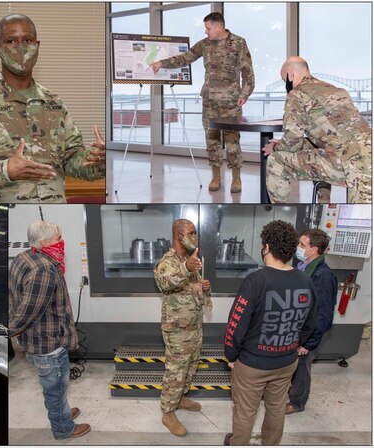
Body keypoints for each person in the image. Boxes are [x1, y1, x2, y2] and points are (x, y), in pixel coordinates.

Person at [0, 13, 106, 203]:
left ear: (37, 45)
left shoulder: (54, 102)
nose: (21, 47)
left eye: (27, 40)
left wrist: (99, 160)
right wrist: (5, 170)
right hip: (5, 213)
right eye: (11, 41)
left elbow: (72, 159)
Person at [223, 220, 317, 446]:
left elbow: (236, 325)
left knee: (245, 412)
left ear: (266, 247)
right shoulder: (305, 280)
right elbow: (310, 324)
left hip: (253, 364)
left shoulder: (256, 280)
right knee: (275, 408)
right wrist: (292, 345)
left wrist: (231, 356)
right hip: (286, 362)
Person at [151, 12, 254, 194]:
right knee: (211, 141)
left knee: (232, 141)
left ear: (218, 27)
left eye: (208, 28)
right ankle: (216, 176)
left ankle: (236, 178)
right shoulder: (204, 45)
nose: (206, 32)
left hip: (231, 102)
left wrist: (244, 94)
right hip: (209, 101)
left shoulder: (239, 42)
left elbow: (248, 72)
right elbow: (186, 58)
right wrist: (162, 63)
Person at [9, 221, 91, 439]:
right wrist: (12, 329)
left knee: (57, 386)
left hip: (37, 340)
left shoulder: (24, 257)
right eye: (58, 238)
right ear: (44, 242)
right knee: (55, 388)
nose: (61, 242)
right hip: (48, 343)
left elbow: (13, 298)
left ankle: (62, 413)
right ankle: (63, 428)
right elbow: (29, 310)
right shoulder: (44, 269)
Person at [263, 57, 372, 204]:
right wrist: (284, 143)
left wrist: (275, 147)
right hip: (366, 153)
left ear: (291, 75)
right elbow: (335, 135)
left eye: (285, 80)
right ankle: (323, 202)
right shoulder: (338, 91)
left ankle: (278, 211)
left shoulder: (297, 94)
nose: (286, 85)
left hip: (348, 162)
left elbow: (292, 141)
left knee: (276, 159)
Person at [153, 219, 211, 437]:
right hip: (177, 329)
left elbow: (190, 290)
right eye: (191, 233)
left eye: (195, 233)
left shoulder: (190, 259)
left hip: (194, 326)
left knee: (191, 366)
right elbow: (165, 283)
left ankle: (181, 397)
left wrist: (203, 287)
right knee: (176, 370)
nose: (194, 237)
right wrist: (186, 269)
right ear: (179, 236)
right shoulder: (167, 262)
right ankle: (168, 412)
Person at [286, 229, 338, 414]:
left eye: (302, 245)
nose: (298, 248)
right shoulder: (303, 266)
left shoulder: (323, 276)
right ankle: (292, 390)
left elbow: (323, 314)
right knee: (294, 365)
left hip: (308, 335)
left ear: (314, 249)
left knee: (302, 368)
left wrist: (308, 343)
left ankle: (297, 403)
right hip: (298, 330)